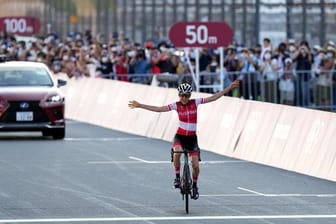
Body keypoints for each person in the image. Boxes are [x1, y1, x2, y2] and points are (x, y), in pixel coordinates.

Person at [128, 80, 240, 200]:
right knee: (176, 153)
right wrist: (141, 105)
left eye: (186, 95)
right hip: (180, 137)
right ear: (179, 95)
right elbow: (159, 109)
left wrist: (228, 88)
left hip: (192, 138)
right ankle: (177, 177)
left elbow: (213, 98)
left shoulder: (195, 102)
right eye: (181, 95)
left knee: (196, 166)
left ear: (190, 96)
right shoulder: (176, 105)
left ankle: (195, 187)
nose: (184, 98)